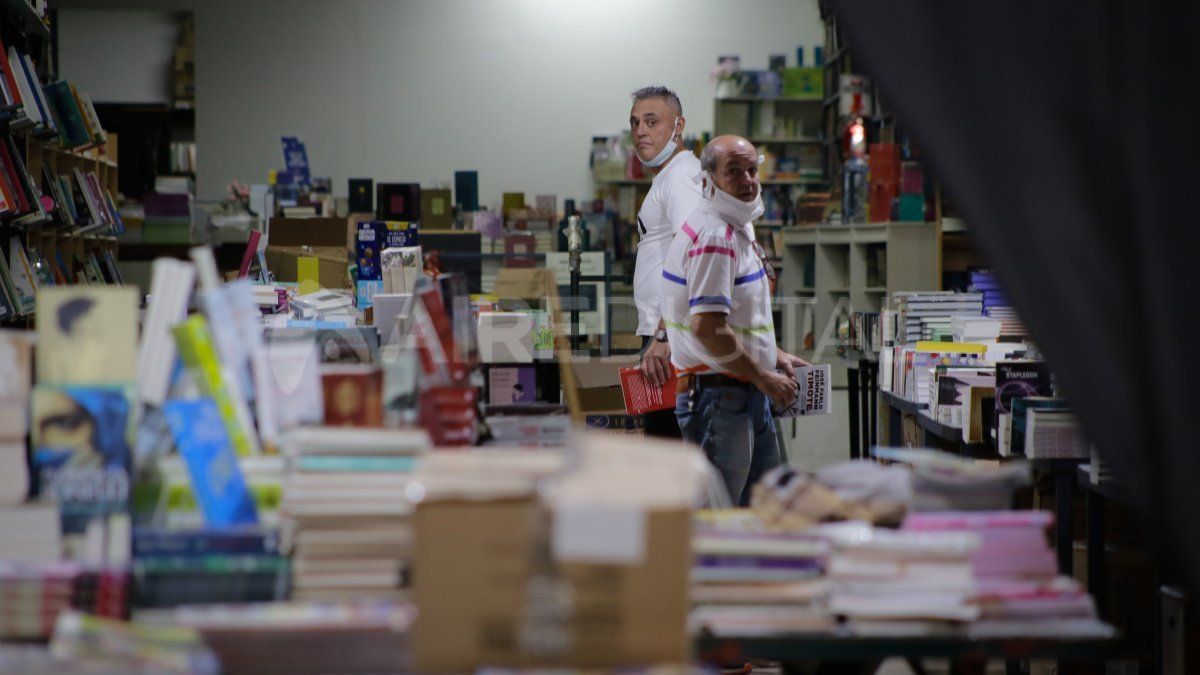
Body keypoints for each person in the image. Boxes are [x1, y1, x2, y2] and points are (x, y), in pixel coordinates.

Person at [662, 135, 811, 506]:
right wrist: (764, 376)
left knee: (761, 509)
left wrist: (773, 355)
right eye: (734, 172)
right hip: (718, 397)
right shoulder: (714, 234)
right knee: (717, 519)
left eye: (751, 170)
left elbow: (739, 317)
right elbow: (709, 328)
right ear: (709, 180)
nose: (747, 180)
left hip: (743, 389)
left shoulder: (737, 223)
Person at [627, 85, 703, 438]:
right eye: (635, 122)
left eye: (652, 121)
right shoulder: (669, 178)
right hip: (668, 334)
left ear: (679, 126)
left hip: (672, 338)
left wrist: (665, 332)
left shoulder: (682, 178)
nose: (641, 130)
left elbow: (692, 254)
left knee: (669, 449)